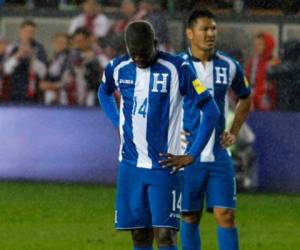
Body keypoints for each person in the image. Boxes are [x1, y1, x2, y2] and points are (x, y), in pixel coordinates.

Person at [98, 21, 220, 250]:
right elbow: (103, 91)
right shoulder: (118, 67)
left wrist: (192, 154)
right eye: (133, 54)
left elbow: (211, 110)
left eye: (143, 53)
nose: (138, 59)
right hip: (130, 167)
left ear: (155, 44)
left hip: (165, 167)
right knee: (139, 235)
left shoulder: (178, 68)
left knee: (165, 235)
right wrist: (117, 121)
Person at [178, 9, 251, 250]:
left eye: (213, 29)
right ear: (190, 33)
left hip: (219, 154)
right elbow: (164, 105)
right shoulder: (177, 67)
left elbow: (245, 97)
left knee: (226, 215)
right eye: (204, 29)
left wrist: (234, 130)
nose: (210, 34)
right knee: (190, 216)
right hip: (188, 154)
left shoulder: (229, 65)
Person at [3, 20, 47, 103]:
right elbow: (6, 70)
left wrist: (32, 58)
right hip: (14, 92)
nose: (29, 34)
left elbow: (43, 72)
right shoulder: (11, 47)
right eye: (27, 31)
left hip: (33, 93)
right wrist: (17, 56)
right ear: (20, 31)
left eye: (32, 32)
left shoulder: (39, 48)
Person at [245, 32, 276, 111]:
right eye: (255, 45)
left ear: (267, 45)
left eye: (260, 44)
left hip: (269, 106)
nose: (256, 47)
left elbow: (274, 87)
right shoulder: (252, 63)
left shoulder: (274, 63)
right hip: (253, 105)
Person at [267, 39, 300, 111]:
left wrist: (270, 66)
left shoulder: (291, 64)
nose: (282, 52)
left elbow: (271, 73)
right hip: (289, 101)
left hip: (288, 103)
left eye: (284, 49)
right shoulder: (293, 63)